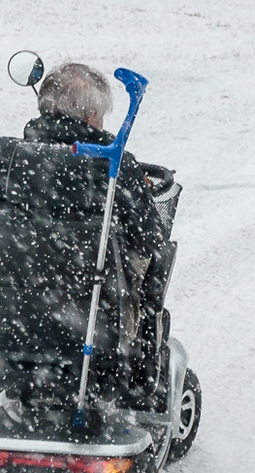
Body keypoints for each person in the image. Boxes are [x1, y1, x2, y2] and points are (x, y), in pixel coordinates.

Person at [20, 63, 178, 331]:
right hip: (93, 323)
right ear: (92, 116)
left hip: (12, 312)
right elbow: (151, 240)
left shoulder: (7, 159)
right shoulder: (112, 165)